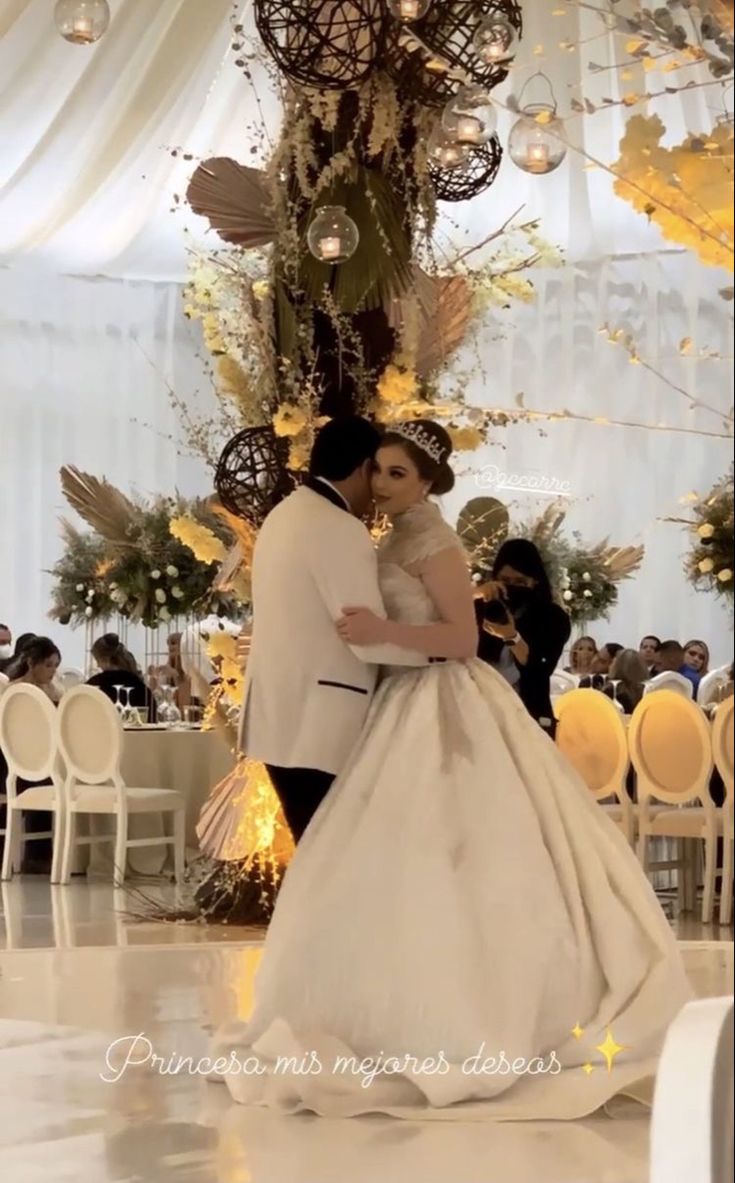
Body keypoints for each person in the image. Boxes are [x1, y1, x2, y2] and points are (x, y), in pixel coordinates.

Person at [211, 418, 690, 1121]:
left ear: (429, 480)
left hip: (438, 698)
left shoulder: (432, 541)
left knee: (448, 851)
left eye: (398, 473)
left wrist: (385, 635)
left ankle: (461, 1006)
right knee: (380, 863)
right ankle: (380, 1000)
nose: (382, 483)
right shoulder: (380, 537)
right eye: (377, 470)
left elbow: (461, 639)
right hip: (388, 703)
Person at [238, 416, 429, 843]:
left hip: (277, 716)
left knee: (315, 857)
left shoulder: (283, 514)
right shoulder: (340, 528)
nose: (380, 486)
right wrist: (437, 652)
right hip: (318, 722)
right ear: (364, 467)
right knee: (331, 860)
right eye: (378, 471)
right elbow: (364, 635)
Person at [475, 539, 571, 738]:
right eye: (505, 581)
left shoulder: (553, 618)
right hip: (478, 707)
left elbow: (541, 668)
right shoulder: (478, 607)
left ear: (535, 581)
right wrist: (476, 595)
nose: (512, 588)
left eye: (520, 582)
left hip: (526, 712)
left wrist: (511, 637)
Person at [87, 633, 156, 721]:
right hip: (140, 733)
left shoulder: (96, 683)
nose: (98, 665)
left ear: (105, 659)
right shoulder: (137, 683)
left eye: (98, 660)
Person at [7, 637, 62, 703]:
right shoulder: (13, 691)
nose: (54, 671)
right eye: (48, 665)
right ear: (30, 663)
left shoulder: (54, 691)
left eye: (56, 665)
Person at [147, 632, 191, 710]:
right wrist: (153, 680)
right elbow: (157, 698)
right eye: (168, 644)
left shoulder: (190, 671)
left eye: (173, 643)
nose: (170, 647)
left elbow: (185, 704)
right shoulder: (165, 670)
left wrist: (176, 676)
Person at [605, 648, 649, 714]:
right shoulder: (648, 691)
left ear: (617, 667)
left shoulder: (611, 692)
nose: (609, 666)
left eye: (612, 662)